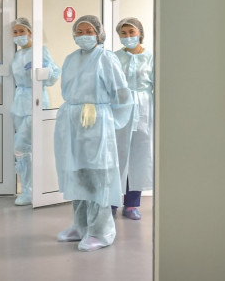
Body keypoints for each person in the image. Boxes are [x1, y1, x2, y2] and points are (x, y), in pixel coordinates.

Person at [54, 15, 132, 251]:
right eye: (79, 32)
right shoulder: (70, 59)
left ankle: (101, 232)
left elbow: (122, 94)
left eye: (89, 31)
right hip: (73, 121)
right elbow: (67, 89)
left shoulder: (105, 58)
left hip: (97, 122)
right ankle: (80, 226)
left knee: (99, 176)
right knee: (77, 173)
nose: (84, 35)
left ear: (98, 34)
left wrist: (108, 119)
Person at [9, 17, 61, 206]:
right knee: (25, 149)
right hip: (19, 104)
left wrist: (42, 70)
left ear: (30, 32)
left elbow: (54, 76)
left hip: (36, 101)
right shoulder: (16, 55)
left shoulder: (41, 51)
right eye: (15, 32)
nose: (18, 35)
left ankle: (31, 191)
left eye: (21, 31)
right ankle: (30, 190)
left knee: (20, 146)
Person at [113, 17, 154, 220]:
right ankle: (111, 201)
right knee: (116, 156)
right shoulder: (114, 57)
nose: (128, 36)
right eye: (124, 33)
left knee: (139, 156)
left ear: (140, 33)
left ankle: (131, 204)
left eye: (132, 32)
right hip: (119, 109)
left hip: (144, 110)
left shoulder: (151, 57)